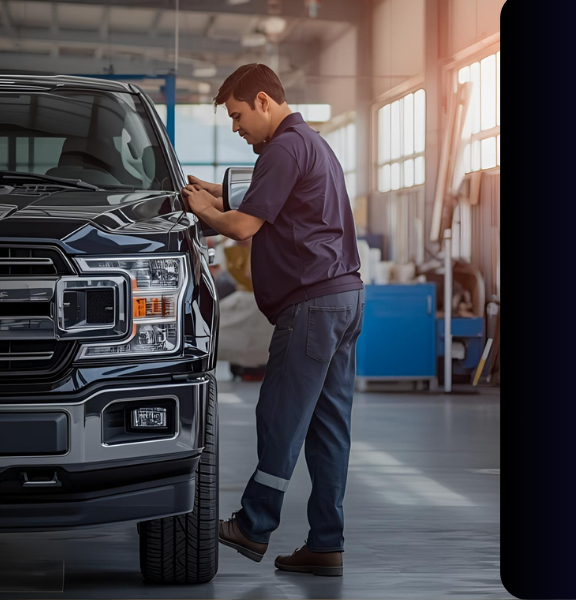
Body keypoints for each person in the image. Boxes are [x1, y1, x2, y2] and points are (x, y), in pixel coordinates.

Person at [180, 63, 364, 577]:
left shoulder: (283, 147)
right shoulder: (310, 144)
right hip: (344, 298)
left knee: (280, 416)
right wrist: (212, 194)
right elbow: (262, 203)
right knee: (328, 428)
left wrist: (199, 210)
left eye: (238, 116)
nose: (236, 129)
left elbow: (241, 226)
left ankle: (254, 525)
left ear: (264, 102)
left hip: (312, 305)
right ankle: (326, 544)